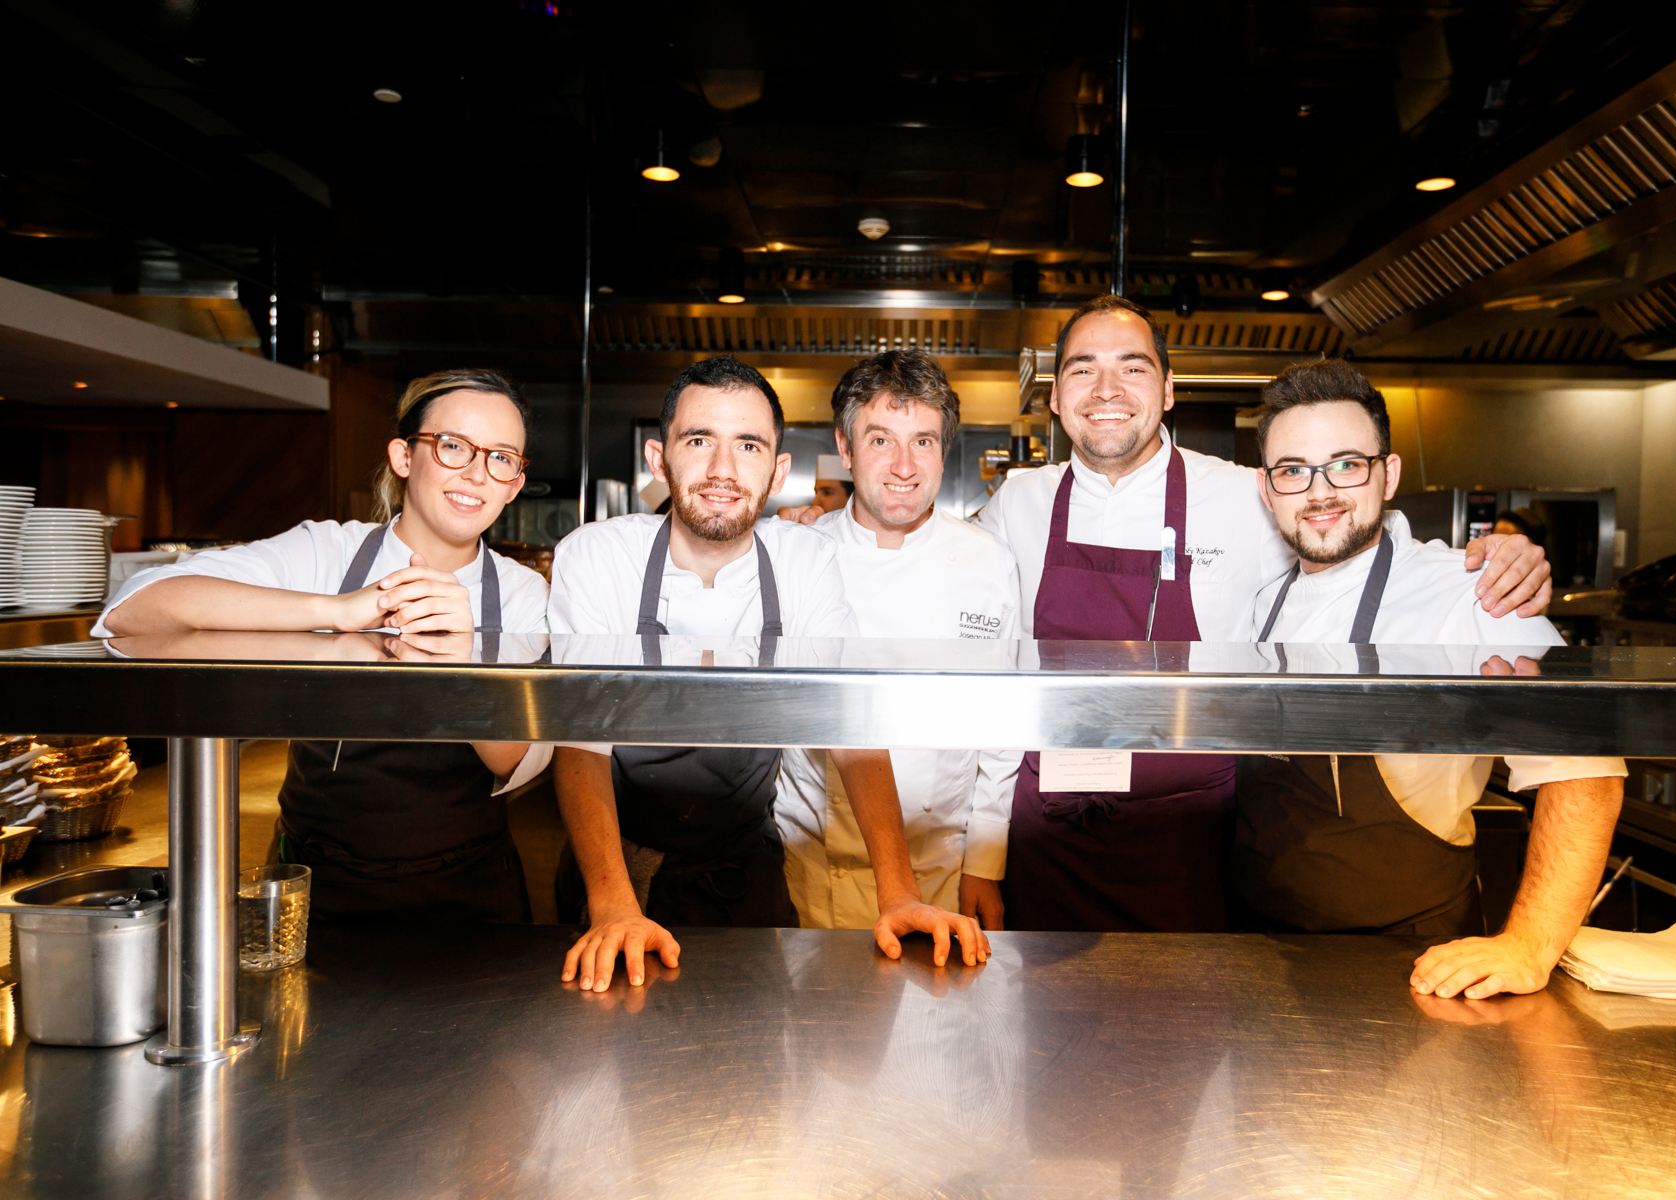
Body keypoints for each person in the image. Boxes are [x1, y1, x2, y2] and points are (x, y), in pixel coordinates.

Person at [974, 295, 1554, 933]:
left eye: (1133, 367)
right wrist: (981, 856)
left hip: (1195, 841)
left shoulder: (1242, 492)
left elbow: (1350, 536)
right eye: (1083, 369)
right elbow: (953, 610)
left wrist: (1497, 555)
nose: (1106, 388)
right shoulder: (1016, 505)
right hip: (1047, 837)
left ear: (1168, 390)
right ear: (1056, 397)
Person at [549, 355, 989, 993]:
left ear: (778, 468)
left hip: (746, 865)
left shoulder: (803, 559)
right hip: (618, 866)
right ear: (658, 458)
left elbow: (849, 726)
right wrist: (616, 905)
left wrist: (898, 893)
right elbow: (579, 742)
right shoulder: (597, 557)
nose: (723, 471)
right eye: (699, 442)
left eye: (748, 446)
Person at [94, 369, 549, 923]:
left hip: (471, 890)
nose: (476, 474)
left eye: (501, 458)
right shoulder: (326, 553)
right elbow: (131, 611)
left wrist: (461, 655)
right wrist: (335, 612)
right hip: (317, 888)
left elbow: (522, 762)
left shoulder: (525, 592)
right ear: (404, 457)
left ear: (515, 484)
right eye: (453, 446)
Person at [1234, 359, 1625, 999]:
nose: (1320, 490)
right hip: (1257, 947)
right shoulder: (1263, 601)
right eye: (1294, 471)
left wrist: (1530, 943)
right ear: (1268, 487)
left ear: (1387, 474)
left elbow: (1585, 769)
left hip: (1409, 958)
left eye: (1346, 464)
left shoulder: (1471, 590)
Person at [773, 350, 1022, 931]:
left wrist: (985, 864)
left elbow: (1003, 728)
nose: (904, 466)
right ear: (845, 447)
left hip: (941, 866)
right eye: (881, 440)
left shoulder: (987, 561)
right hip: (807, 863)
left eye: (924, 442)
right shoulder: (794, 553)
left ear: (944, 450)